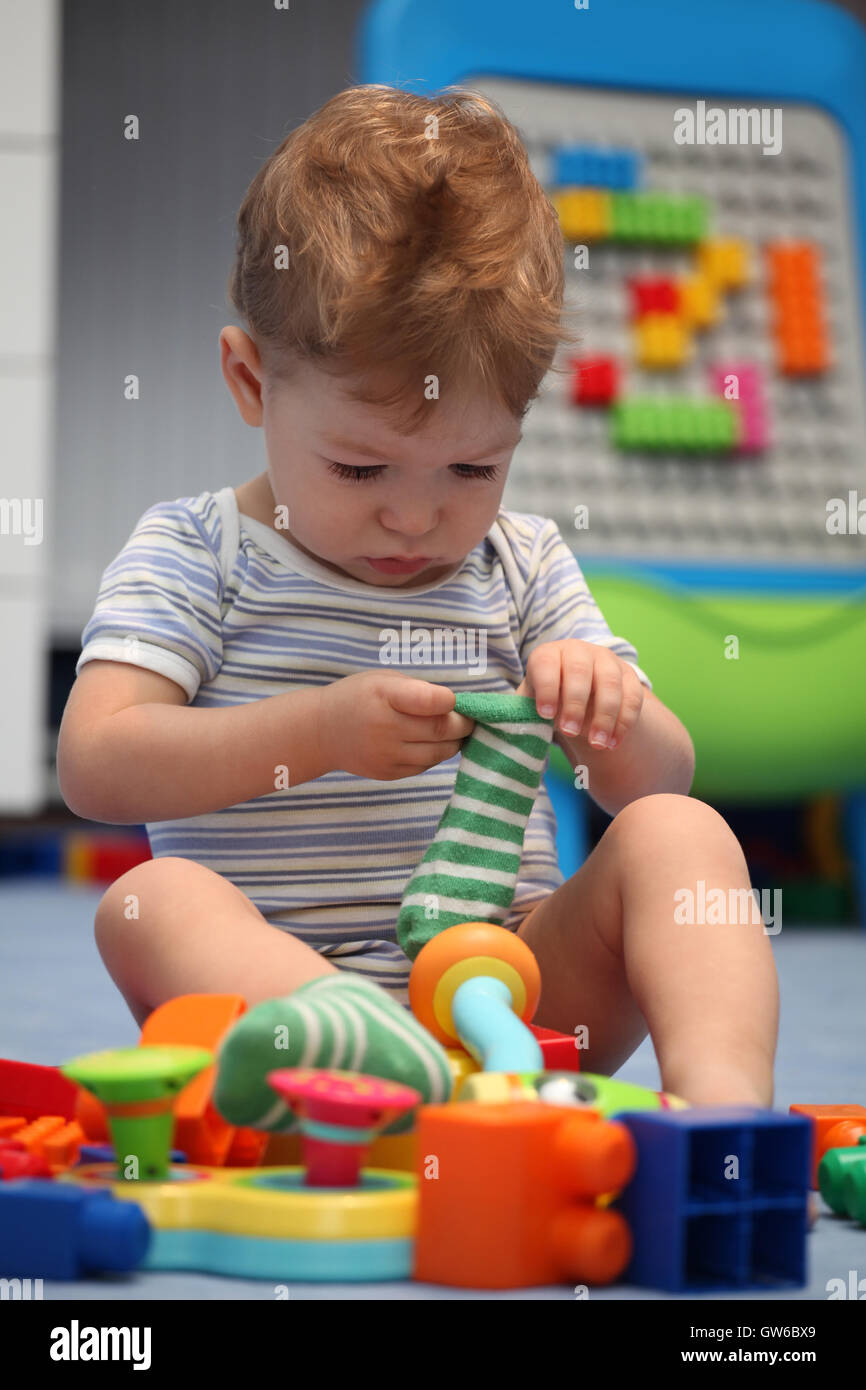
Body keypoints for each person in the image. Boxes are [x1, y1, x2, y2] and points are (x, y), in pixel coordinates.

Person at [57, 86, 777, 1127]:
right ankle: (365, 1043)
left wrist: (602, 712)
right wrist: (314, 731)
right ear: (250, 381)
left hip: (516, 991)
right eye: (358, 470)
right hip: (283, 1002)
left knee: (680, 831)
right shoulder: (196, 552)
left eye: (471, 466)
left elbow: (655, 779)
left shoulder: (521, 562)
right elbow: (95, 761)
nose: (415, 517)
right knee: (147, 903)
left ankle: (718, 1115)